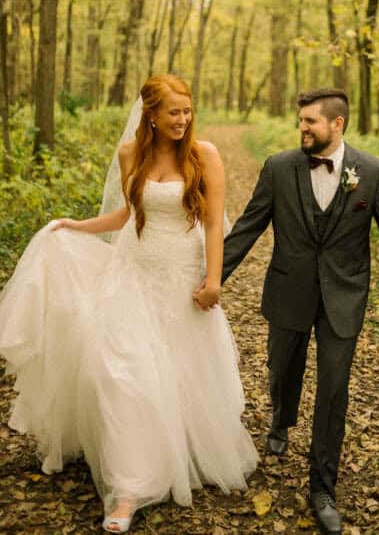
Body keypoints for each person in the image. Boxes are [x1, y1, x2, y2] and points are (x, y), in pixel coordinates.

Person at [0, 74, 257, 533]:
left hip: (181, 277)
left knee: (175, 373)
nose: (183, 120)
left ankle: (174, 451)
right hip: (131, 274)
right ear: (150, 115)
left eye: (188, 110)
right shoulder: (130, 154)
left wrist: (214, 280)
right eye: (173, 113)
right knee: (119, 373)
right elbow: (127, 214)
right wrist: (76, 225)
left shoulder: (205, 155)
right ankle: (128, 488)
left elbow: (216, 223)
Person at [212, 87, 379, 535]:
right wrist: (213, 278)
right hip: (289, 289)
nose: (303, 128)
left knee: (334, 389)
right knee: (282, 367)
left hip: (343, 296)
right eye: (301, 121)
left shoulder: (370, 172)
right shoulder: (278, 167)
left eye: (311, 121)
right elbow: (249, 226)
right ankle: (280, 418)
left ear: (338, 124)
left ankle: (322, 487)